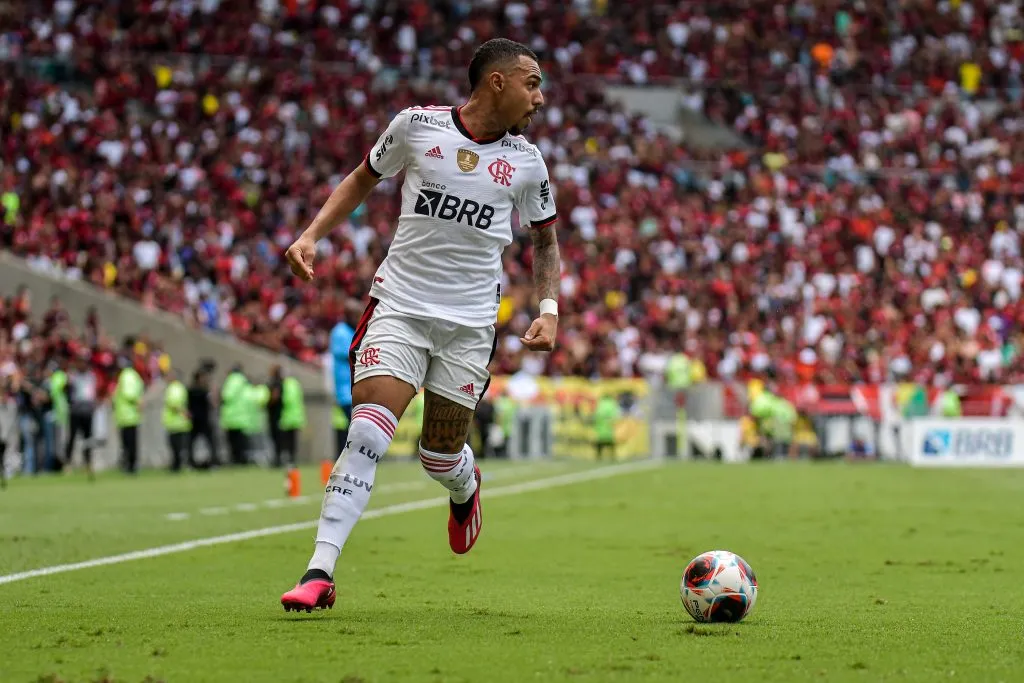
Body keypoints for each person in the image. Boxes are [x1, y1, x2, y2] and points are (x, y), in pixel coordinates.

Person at [280, 38, 559, 612]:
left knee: (439, 456)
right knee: (367, 434)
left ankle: (465, 485)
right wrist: (311, 235)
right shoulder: (416, 126)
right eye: (532, 84)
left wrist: (549, 310)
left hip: (469, 326)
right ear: (497, 82)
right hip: (400, 306)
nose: (539, 98)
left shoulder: (528, 161)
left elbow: (545, 240)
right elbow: (362, 178)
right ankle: (319, 571)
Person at [327, 313, 356, 458]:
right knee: (354, 426)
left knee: (353, 426)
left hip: (352, 387)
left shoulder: (350, 330)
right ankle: (354, 456)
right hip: (345, 390)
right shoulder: (340, 332)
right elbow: (348, 353)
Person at [113, 356, 144, 473]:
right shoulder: (134, 375)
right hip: (131, 415)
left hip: (126, 415)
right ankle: (131, 464)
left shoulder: (127, 375)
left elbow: (128, 393)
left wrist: (136, 402)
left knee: (128, 443)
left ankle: (130, 466)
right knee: (132, 442)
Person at [188, 367, 219, 469]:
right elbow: (213, 403)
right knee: (206, 441)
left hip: (201, 419)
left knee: (208, 441)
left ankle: (211, 460)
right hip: (198, 419)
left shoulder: (192, 390)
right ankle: (211, 461)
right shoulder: (201, 391)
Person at [220, 364, 250, 465]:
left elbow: (227, 396)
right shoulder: (244, 380)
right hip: (243, 414)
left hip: (232, 415)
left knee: (233, 440)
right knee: (242, 440)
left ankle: (236, 459)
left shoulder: (232, 380)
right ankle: (243, 459)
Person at [163, 369, 192, 471]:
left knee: (176, 447)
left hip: (176, 423)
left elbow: (174, 404)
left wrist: (182, 412)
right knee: (179, 447)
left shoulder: (174, 388)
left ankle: (177, 466)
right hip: (180, 422)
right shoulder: (179, 387)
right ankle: (178, 465)